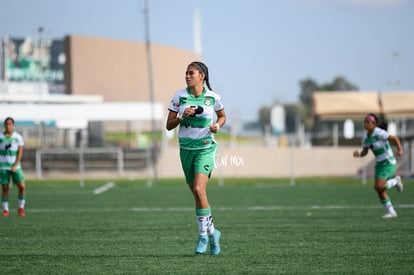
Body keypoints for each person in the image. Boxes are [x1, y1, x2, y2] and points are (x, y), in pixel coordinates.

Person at [166, 61, 226, 255]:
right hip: (185, 149)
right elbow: (169, 125)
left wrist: (218, 125)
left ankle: (202, 237)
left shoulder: (213, 97)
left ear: (202, 76)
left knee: (200, 189)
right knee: (198, 195)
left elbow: (222, 116)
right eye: (186, 73)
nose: (187, 76)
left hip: (205, 149)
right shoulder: (179, 96)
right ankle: (213, 232)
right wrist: (182, 116)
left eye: (191, 73)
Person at [353, 113, 403, 218]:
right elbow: (365, 151)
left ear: (374, 123)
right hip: (379, 164)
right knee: (379, 189)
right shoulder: (365, 136)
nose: (365, 124)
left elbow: (394, 138)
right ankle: (391, 212)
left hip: (388, 163)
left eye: (368, 122)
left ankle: (395, 181)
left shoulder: (379, 132)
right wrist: (359, 154)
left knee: (379, 186)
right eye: (364, 122)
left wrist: (399, 150)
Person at [0, 117, 26, 217]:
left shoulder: (18, 137)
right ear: (4, 125)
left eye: (10, 124)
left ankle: (21, 208)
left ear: (13, 125)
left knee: (22, 187)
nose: (8, 126)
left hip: (16, 167)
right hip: (3, 167)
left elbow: (20, 152)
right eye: (6, 124)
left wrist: (15, 165)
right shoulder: (0, 137)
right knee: (5, 188)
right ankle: (6, 210)